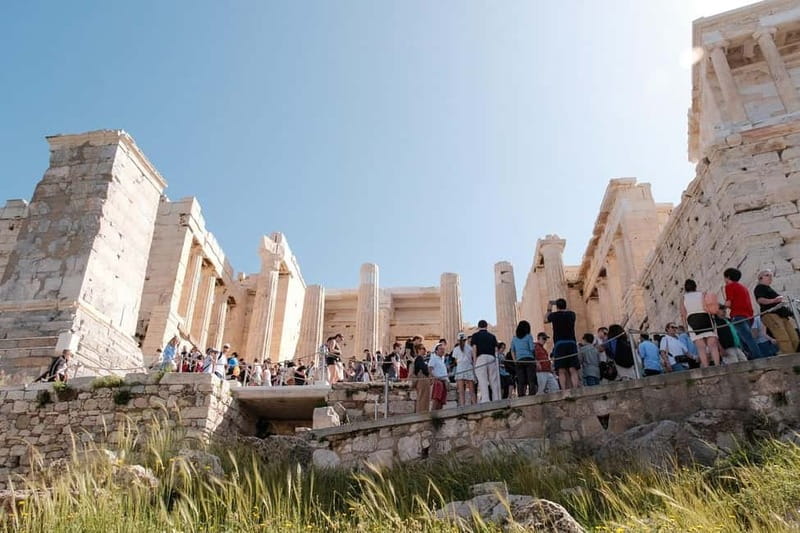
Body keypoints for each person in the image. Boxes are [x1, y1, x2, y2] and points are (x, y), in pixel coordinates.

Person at [754, 269, 799, 355]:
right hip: (771, 314)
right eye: (767, 275)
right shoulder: (759, 288)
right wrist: (774, 300)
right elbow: (760, 300)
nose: (770, 277)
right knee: (783, 338)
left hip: (782, 316)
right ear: (760, 278)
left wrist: (791, 313)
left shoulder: (769, 288)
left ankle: (792, 357)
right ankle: (791, 361)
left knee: (794, 337)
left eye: (771, 275)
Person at [681, 278, 721, 368]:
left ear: (685, 288)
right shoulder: (702, 294)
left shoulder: (683, 298)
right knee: (712, 345)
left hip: (692, 320)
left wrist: (686, 327)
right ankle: (717, 365)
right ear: (695, 286)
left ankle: (706, 367)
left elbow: (683, 314)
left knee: (701, 347)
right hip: (706, 317)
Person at [723, 267, 762, 359]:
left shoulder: (729, 286)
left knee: (746, 339)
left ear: (728, 277)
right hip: (748, 316)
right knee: (744, 339)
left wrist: (719, 308)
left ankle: (757, 357)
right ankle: (751, 357)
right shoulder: (743, 287)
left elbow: (728, 303)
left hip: (738, 315)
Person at [545, 298, 580, 390]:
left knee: (561, 369)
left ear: (557, 307)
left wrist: (549, 307)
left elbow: (545, 319)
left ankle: (564, 390)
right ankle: (575, 388)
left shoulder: (554, 315)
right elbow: (566, 310)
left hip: (559, 344)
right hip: (571, 343)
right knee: (573, 368)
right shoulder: (572, 314)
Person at [471, 320, 501, 403]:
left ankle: (485, 399)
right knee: (493, 380)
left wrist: (474, 362)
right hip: (491, 358)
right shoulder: (492, 336)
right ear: (486, 326)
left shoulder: (475, 335)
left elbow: (474, 349)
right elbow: (496, 349)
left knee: (482, 380)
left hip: (481, 358)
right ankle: (496, 398)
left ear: (478, 326)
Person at [510, 320, 537, 397]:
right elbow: (532, 349)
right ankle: (532, 395)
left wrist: (515, 360)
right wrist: (535, 358)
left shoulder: (514, 339)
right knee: (531, 379)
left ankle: (521, 395)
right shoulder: (529, 336)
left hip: (519, 360)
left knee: (521, 380)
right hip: (529, 359)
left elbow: (512, 350)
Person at [452, 333, 475, 406]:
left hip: (460, 368)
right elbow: (472, 357)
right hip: (468, 367)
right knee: (471, 390)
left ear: (458, 340)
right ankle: (474, 404)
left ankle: (462, 405)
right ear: (466, 340)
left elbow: (455, 360)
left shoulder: (456, 349)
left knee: (461, 390)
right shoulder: (470, 348)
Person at [429, 343, 449, 410]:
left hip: (443, 381)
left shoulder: (442, 359)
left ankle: (439, 417)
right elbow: (430, 369)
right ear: (436, 351)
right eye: (440, 349)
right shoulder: (434, 358)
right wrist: (434, 378)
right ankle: (433, 416)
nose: (442, 350)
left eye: (443, 349)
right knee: (436, 399)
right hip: (438, 381)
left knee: (442, 401)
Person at [413, 344, 431, 413]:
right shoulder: (419, 358)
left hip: (422, 380)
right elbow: (424, 369)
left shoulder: (420, 359)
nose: (425, 350)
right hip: (422, 380)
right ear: (419, 350)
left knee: (423, 398)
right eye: (423, 349)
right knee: (423, 398)